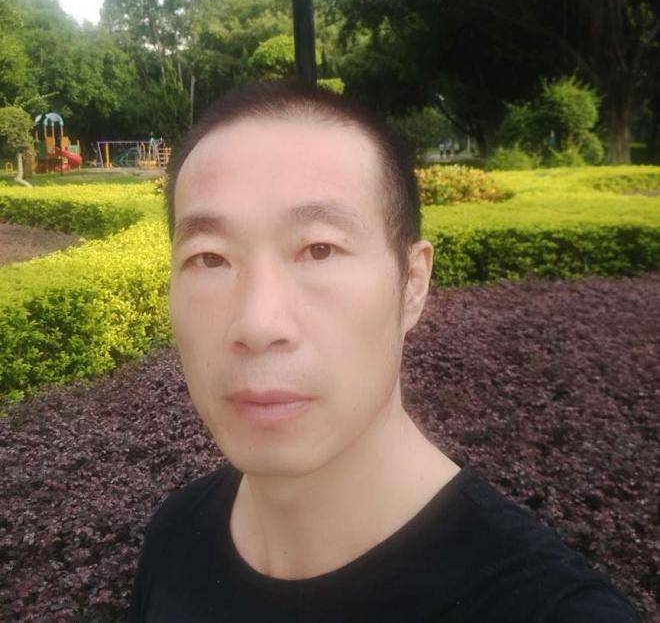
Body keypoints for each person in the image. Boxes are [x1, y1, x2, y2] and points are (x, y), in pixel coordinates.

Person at [129, 79, 640, 622]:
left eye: (319, 249)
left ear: (412, 283)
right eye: (209, 258)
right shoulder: (174, 537)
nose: (257, 324)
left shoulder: (546, 609)